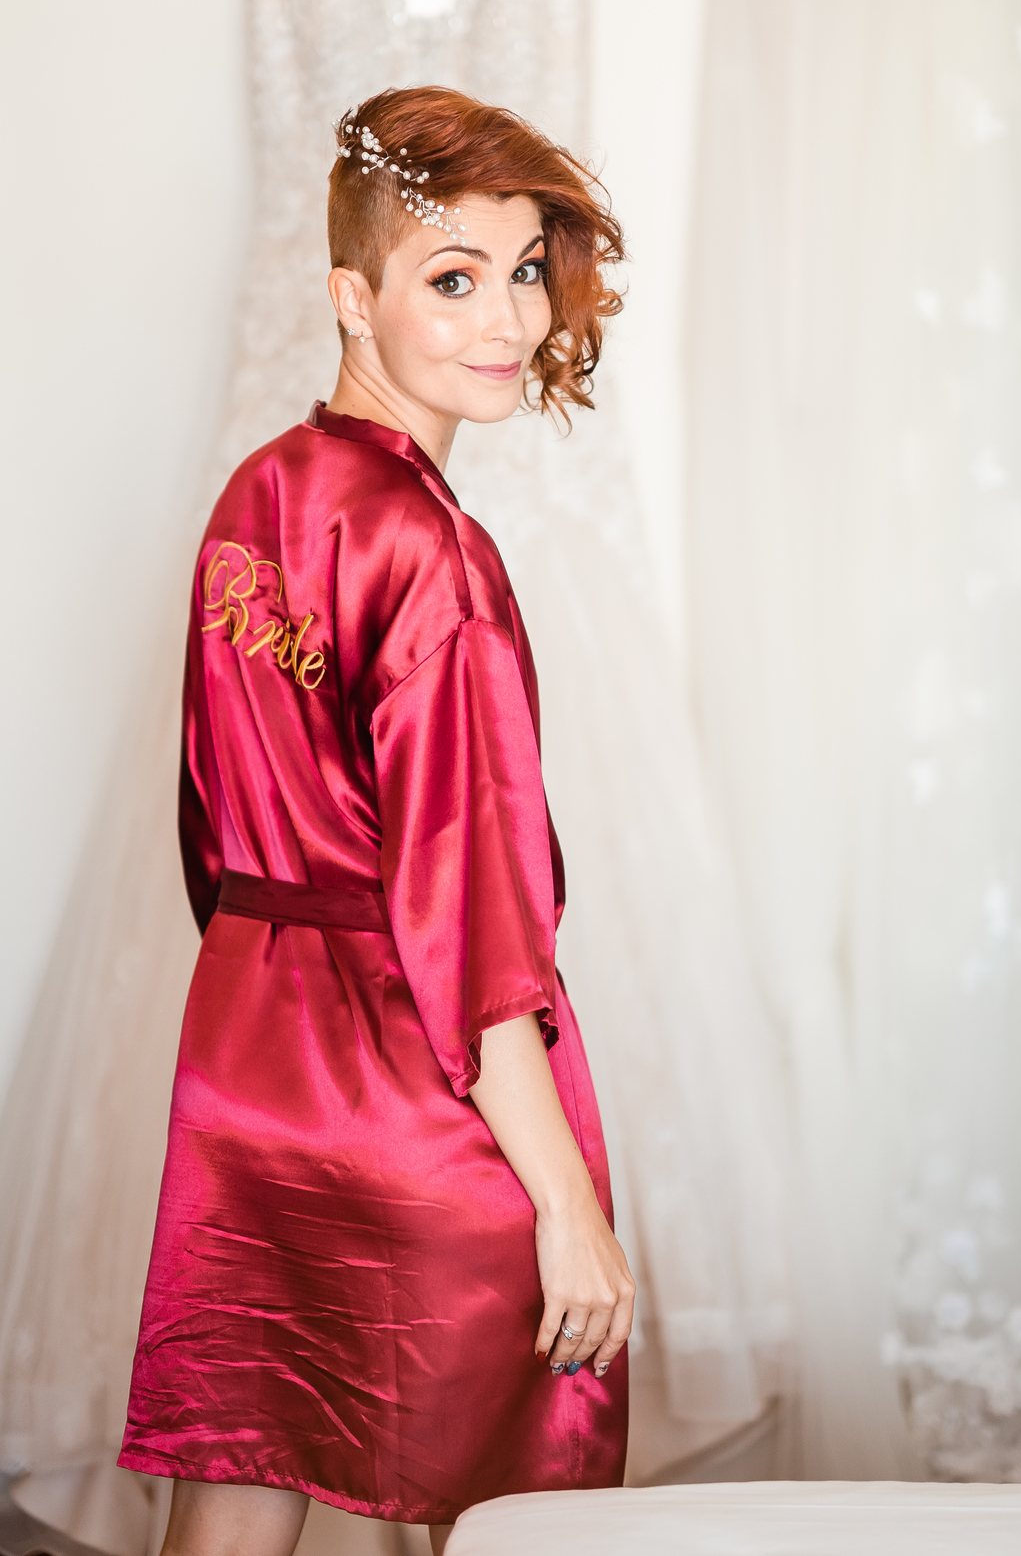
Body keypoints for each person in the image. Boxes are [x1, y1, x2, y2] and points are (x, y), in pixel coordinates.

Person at [118, 86, 634, 1556]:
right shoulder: (436, 558)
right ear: (354, 297)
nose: (509, 320)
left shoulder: (255, 493)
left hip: (245, 1059)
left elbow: (212, 822)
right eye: (452, 279)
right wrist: (565, 1202)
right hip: (408, 1084)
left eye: (523, 271)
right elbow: (474, 919)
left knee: (238, 1478)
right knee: (495, 1499)